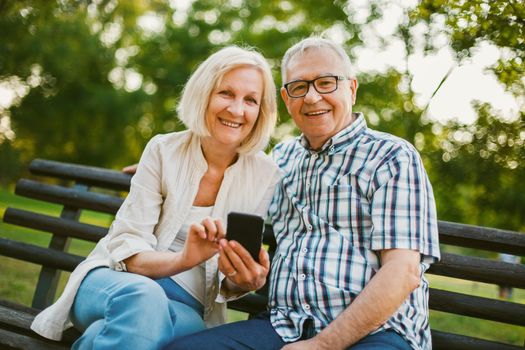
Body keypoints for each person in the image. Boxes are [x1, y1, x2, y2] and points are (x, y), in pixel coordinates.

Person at [166, 37, 440, 350]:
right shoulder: (278, 161)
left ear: (351, 88)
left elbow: (402, 272)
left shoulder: (392, 157)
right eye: (299, 87)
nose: (312, 98)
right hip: (283, 324)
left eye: (326, 83)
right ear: (286, 97)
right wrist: (172, 166)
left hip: (377, 332)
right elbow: (221, 171)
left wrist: (322, 345)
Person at [30, 45, 282, 350]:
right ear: (203, 94)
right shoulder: (164, 151)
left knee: (115, 334)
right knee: (143, 301)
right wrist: (184, 259)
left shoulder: (265, 173)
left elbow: (227, 281)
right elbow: (127, 251)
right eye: (226, 93)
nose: (237, 110)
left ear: (261, 111)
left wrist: (242, 281)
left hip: (187, 308)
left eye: (250, 100)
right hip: (116, 283)